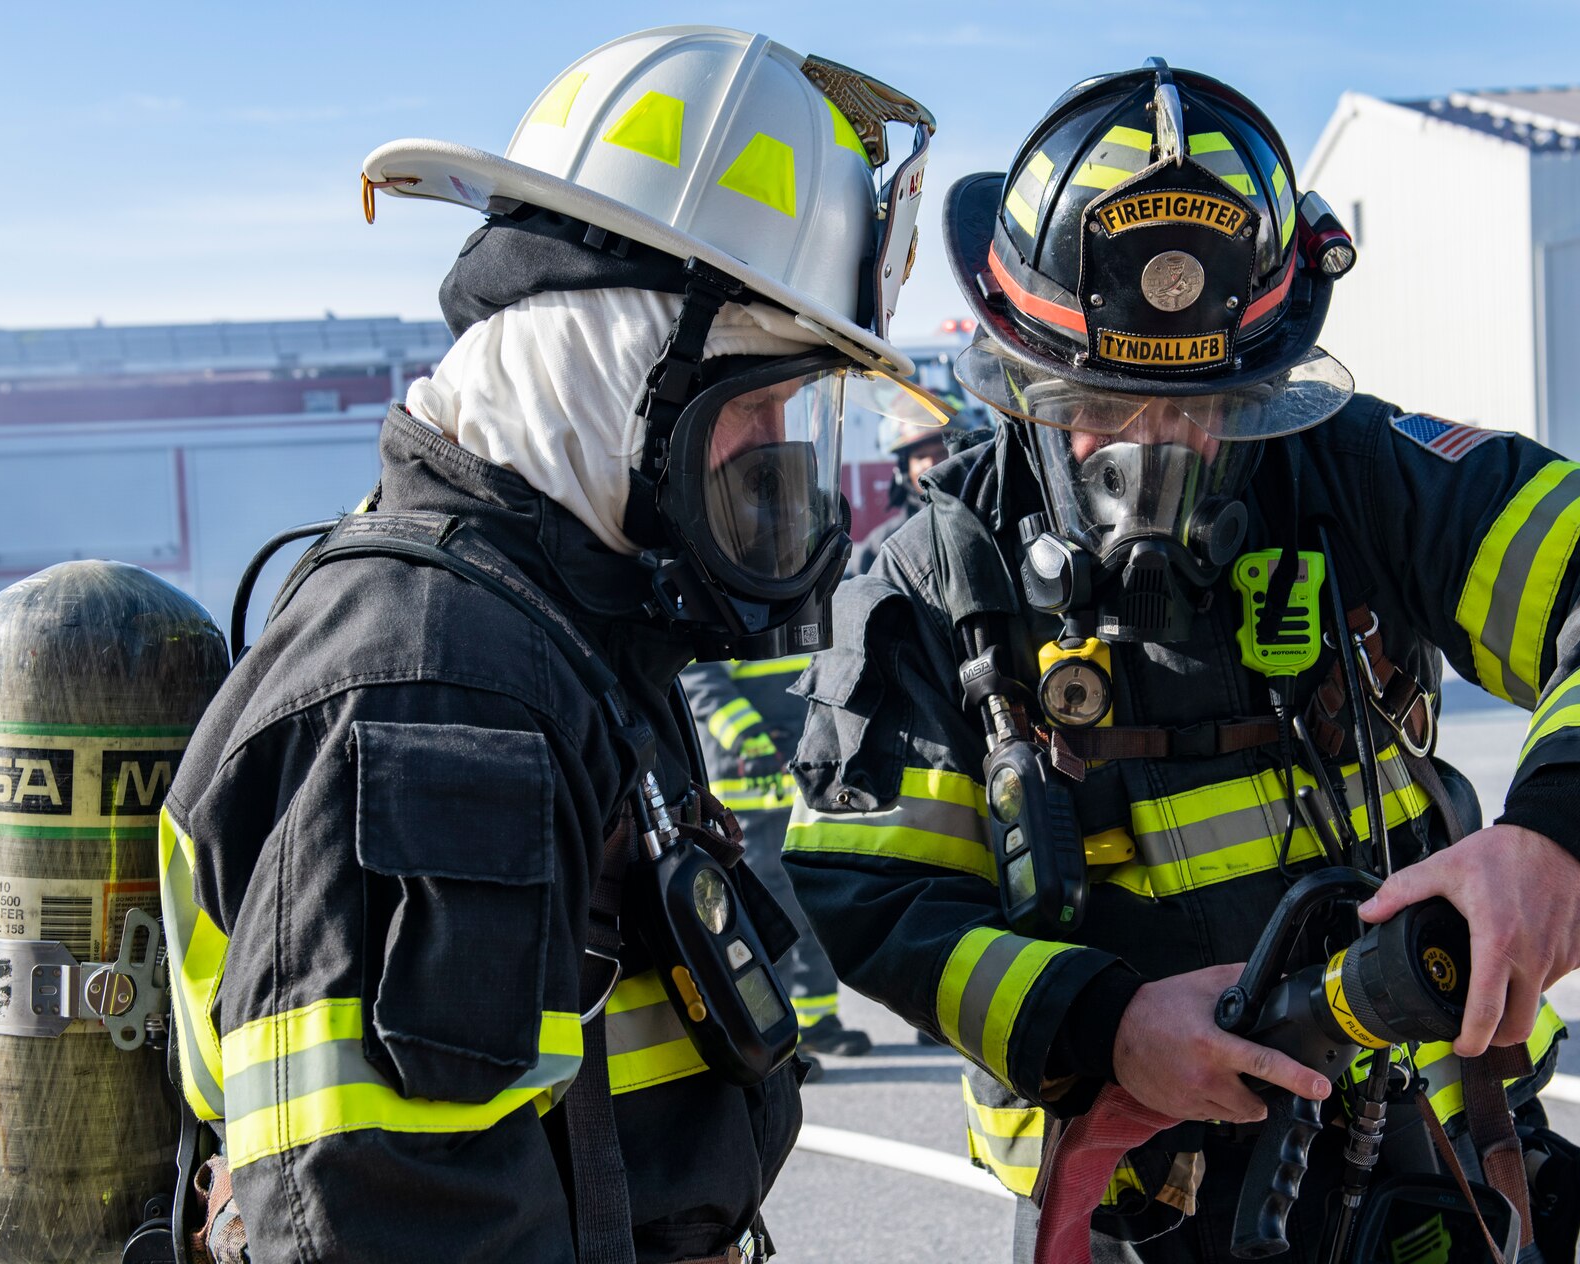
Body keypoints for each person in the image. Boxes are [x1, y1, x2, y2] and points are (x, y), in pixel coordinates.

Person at [784, 61, 1580, 1262]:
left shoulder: (1361, 474)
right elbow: (868, 892)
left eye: (1210, 408)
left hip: (1430, 1140)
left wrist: (1563, 829)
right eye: (1102, 404)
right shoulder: (929, 582)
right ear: (1020, 368)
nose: (1156, 450)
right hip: (1132, 1186)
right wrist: (1107, 1026)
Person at [158, 26, 938, 1263]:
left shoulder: (555, 626)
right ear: (616, 360)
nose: (778, 460)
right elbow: (399, 1225)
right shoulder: (434, 690)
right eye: (759, 404)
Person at [680, 657, 876, 1058]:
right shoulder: (731, 601)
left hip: (805, 779)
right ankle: (780, 1033)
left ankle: (817, 1021)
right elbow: (698, 675)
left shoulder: (801, 600)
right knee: (769, 911)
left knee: (813, 900)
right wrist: (744, 733)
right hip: (750, 787)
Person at [848, 403, 988, 576]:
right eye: (920, 457)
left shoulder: (990, 515)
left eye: (940, 452)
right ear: (904, 470)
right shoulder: (888, 541)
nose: (930, 464)